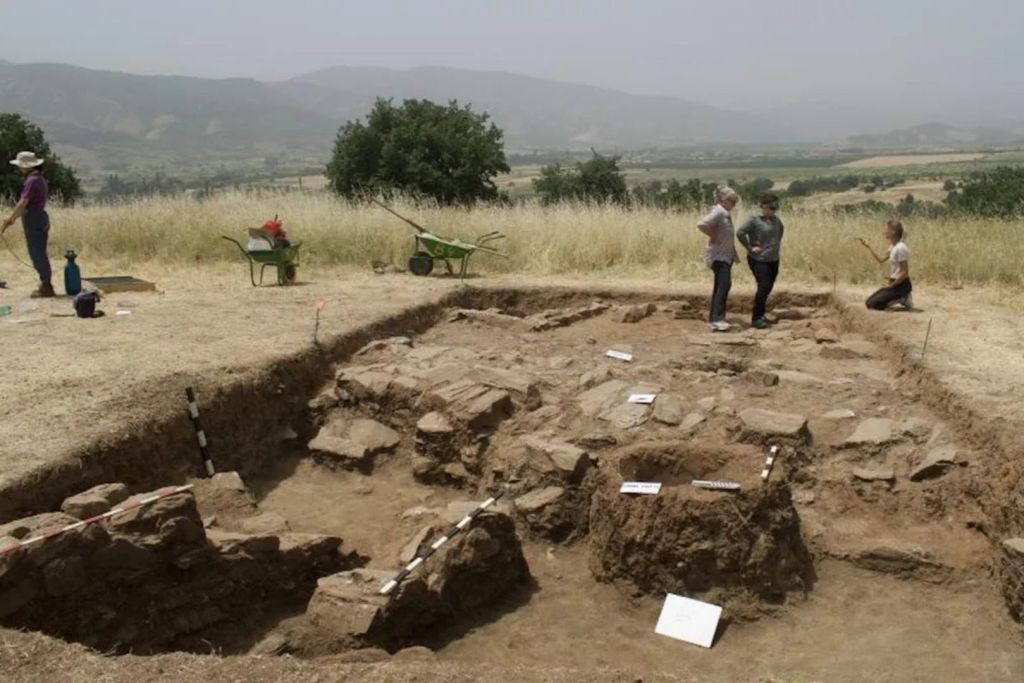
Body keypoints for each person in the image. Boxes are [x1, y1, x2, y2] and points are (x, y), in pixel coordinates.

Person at [1, 151, 54, 297]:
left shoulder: (32, 181)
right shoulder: (39, 179)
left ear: (26, 166)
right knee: (39, 250)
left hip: (33, 217)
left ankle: (46, 285)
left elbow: (23, 202)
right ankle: (45, 282)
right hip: (39, 216)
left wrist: (11, 218)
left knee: (36, 252)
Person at [737, 193, 784, 328]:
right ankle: (756, 318)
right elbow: (740, 232)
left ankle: (761, 314)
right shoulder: (754, 219)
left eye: (776, 207)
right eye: (772, 207)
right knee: (763, 286)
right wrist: (750, 247)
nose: (775, 210)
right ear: (763, 206)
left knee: (768, 287)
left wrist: (773, 247)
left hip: (773, 259)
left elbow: (780, 232)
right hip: (759, 259)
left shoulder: (776, 220)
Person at [697, 185, 740, 331]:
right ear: (724, 199)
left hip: (725, 256)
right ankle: (718, 319)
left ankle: (714, 318)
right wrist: (713, 236)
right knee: (724, 284)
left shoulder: (725, 213)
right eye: (732, 201)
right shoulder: (719, 212)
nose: (734, 204)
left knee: (720, 285)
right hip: (718, 256)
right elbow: (701, 224)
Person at [859, 219, 912, 311]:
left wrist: (891, 286)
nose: (885, 232)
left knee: (873, 304)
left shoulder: (900, 248)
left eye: (887, 229)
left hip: (901, 285)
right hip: (895, 283)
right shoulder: (893, 246)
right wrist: (868, 246)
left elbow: (904, 273)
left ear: (893, 232)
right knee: (869, 302)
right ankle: (899, 298)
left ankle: (904, 299)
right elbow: (881, 259)